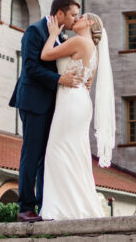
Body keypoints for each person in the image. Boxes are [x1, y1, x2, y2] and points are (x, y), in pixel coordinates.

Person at [8, 0, 84, 222]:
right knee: (31, 155)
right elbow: (30, 68)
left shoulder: (60, 36)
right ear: (59, 13)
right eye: (72, 14)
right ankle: (24, 208)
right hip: (33, 102)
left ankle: (44, 206)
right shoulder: (34, 31)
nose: (75, 19)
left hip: (53, 105)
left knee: (46, 156)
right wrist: (59, 79)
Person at [38, 12, 116, 221]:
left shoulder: (79, 41)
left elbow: (46, 55)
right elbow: (88, 82)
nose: (77, 19)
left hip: (70, 100)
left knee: (58, 151)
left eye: (81, 17)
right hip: (81, 99)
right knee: (76, 152)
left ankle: (62, 208)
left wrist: (53, 34)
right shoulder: (95, 51)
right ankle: (77, 204)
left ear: (90, 23)